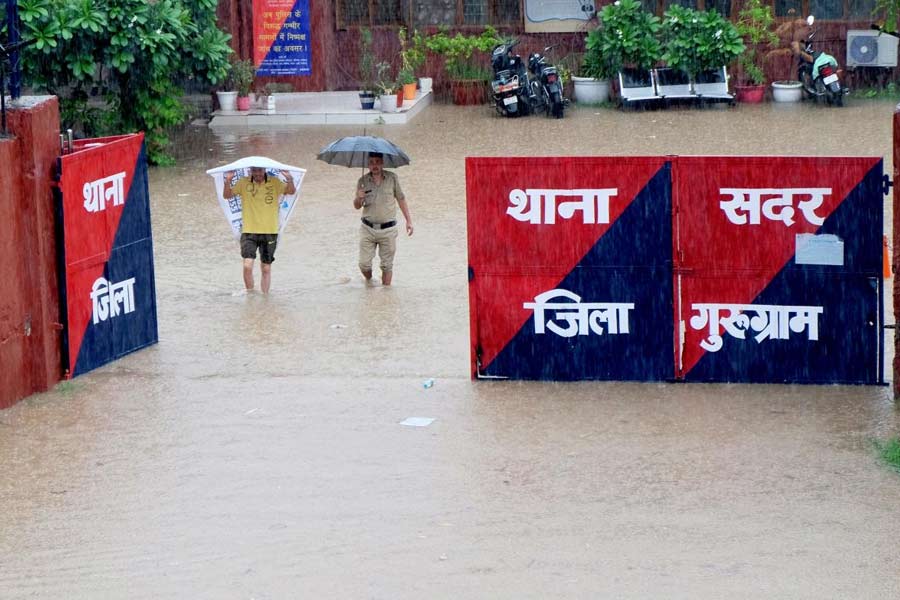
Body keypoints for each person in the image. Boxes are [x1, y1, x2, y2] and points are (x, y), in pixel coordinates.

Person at [223, 166, 296, 293]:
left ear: (264, 170)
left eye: (260, 170)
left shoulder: (274, 182)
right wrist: (228, 180)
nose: (257, 173)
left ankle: (265, 298)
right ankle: (250, 295)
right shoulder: (243, 182)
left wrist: (289, 179)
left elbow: (290, 191)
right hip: (248, 231)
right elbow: (227, 195)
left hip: (270, 231)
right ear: (250, 171)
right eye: (254, 170)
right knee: (247, 265)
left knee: (266, 268)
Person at [353, 152, 413, 286]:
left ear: (382, 163)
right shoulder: (362, 181)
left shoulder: (393, 178)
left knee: (387, 266)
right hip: (367, 229)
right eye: (372, 162)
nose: (375, 165)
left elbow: (401, 199)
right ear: (368, 164)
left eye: (377, 162)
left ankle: (386, 296)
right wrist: (359, 197)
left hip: (388, 229)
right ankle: (369, 282)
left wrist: (409, 221)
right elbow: (357, 206)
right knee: (364, 264)